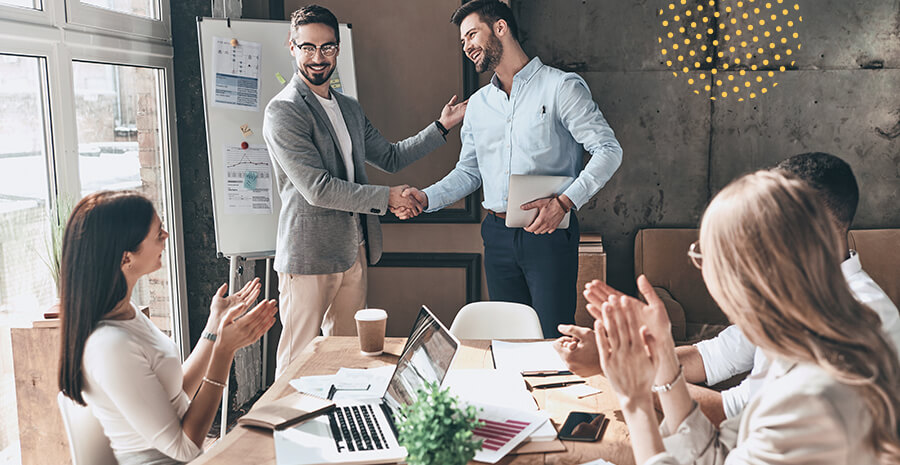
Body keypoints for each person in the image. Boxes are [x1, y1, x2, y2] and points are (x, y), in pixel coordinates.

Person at [554, 152, 900, 424]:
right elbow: (715, 356)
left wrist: (619, 369)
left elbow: (733, 413)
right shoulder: (796, 288)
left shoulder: (858, 323)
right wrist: (617, 355)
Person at [263, 5, 467, 377]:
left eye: (327, 48)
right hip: (308, 257)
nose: (317, 57)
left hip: (352, 248)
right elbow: (317, 189)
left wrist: (441, 126)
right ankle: (280, 430)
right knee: (296, 365)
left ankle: (340, 428)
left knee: (347, 359)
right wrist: (387, 199)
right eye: (307, 47)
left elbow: (389, 157)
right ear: (291, 47)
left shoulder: (348, 108)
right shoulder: (285, 111)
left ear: (338, 49)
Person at [399, 0, 623, 337]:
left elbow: (608, 150)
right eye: (462, 41)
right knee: (509, 342)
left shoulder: (561, 87)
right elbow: (469, 172)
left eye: (472, 35)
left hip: (548, 236)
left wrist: (565, 202)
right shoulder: (478, 105)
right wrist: (425, 198)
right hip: (497, 237)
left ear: (500, 28)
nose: (467, 47)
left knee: (551, 339)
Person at [58, 191, 277, 465]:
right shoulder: (110, 345)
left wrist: (214, 325)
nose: (166, 235)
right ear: (126, 258)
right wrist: (224, 351)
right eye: (157, 233)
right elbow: (184, 447)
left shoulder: (127, 313)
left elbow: (175, 393)